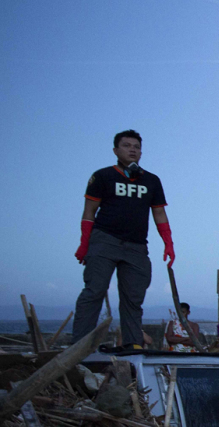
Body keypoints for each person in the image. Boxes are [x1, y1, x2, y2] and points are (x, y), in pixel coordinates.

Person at [72, 130, 176, 347]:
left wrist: (168, 243)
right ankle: (80, 348)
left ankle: (132, 347)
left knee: (133, 299)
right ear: (115, 150)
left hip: (136, 247)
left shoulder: (151, 180)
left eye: (136, 147)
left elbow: (159, 213)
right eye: (127, 146)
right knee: (94, 291)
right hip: (105, 240)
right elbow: (89, 211)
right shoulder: (102, 176)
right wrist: (85, 244)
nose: (132, 150)